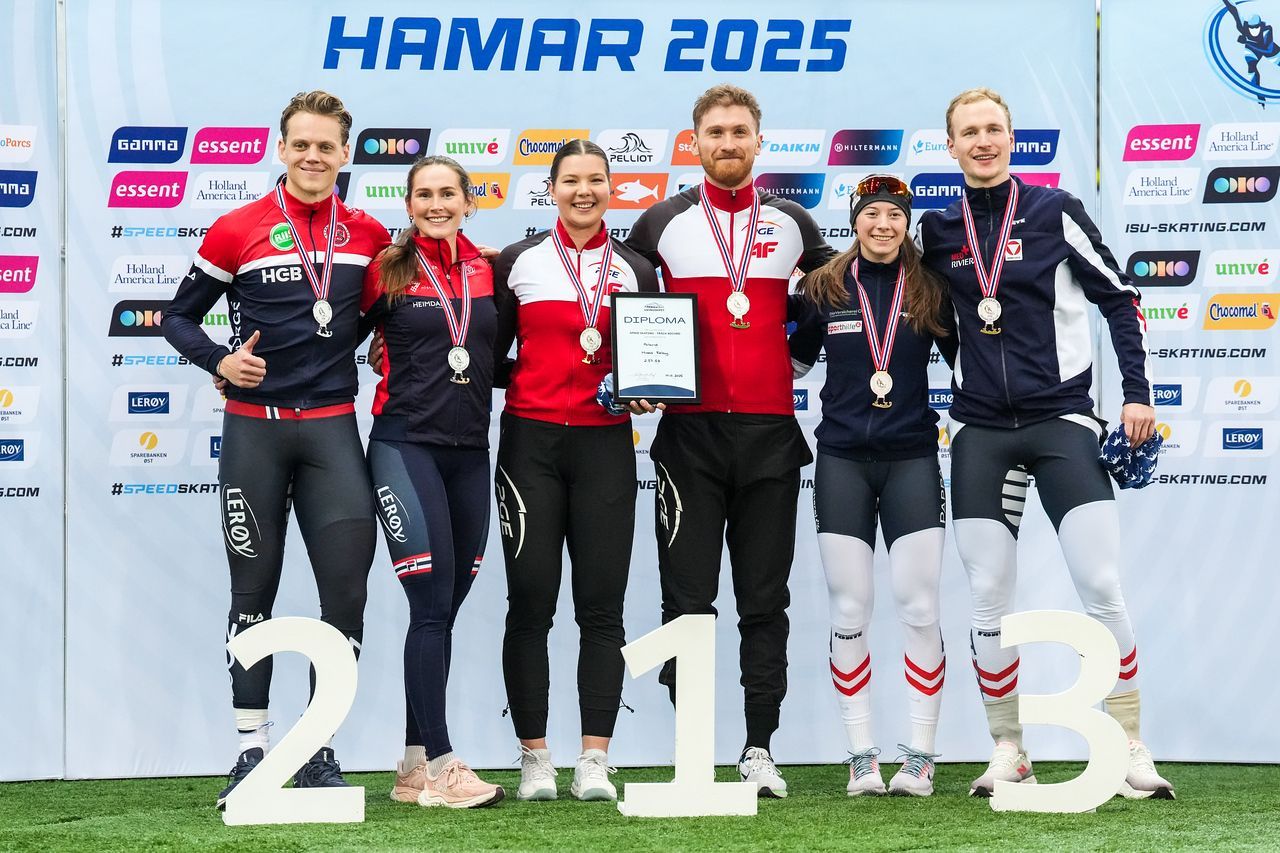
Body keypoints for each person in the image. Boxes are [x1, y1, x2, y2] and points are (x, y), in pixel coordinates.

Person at [917, 87, 1174, 799]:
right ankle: (1009, 748)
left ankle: (1130, 742)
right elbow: (933, 318)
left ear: (1011, 137)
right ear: (951, 145)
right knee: (988, 595)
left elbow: (1120, 298)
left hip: (1062, 421)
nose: (983, 141)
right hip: (979, 430)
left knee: (1101, 584)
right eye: (969, 131)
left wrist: (1136, 392)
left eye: (993, 128)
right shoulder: (937, 230)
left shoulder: (1055, 210)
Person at [162, 90, 390, 807]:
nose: (313, 156)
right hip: (254, 430)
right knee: (252, 591)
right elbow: (176, 317)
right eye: (301, 144)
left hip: (331, 429)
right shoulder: (238, 228)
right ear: (281, 147)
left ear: (345, 152)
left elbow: (378, 318)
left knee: (346, 593)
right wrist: (219, 361)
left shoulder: (369, 232)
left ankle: (319, 748)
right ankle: (251, 747)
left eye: (326, 146)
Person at [625, 84, 836, 798]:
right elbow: (618, 298)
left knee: (764, 602)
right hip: (689, 437)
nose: (727, 143)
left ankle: (758, 748)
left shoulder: (793, 221)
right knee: (686, 603)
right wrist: (635, 375)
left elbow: (841, 291)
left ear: (757, 141)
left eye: (739, 131)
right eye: (715, 132)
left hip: (772, 434)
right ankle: (692, 749)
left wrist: (798, 356)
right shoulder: (661, 221)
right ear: (695, 141)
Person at [491, 139, 659, 802]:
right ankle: (534, 758)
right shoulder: (519, 262)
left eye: (595, 180)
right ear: (551, 189)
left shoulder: (636, 268)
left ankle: (595, 758)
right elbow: (493, 355)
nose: (583, 191)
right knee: (530, 602)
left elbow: (651, 355)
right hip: (529, 446)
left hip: (605, 448)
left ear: (611, 189)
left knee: (601, 606)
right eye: (570, 180)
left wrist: (646, 389)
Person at [790, 176, 955, 797]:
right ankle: (862, 756)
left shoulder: (931, 286)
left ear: (906, 224)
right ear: (855, 220)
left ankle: (920, 757)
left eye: (894, 216)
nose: (883, 225)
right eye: (872, 214)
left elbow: (970, 362)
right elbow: (794, 362)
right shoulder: (823, 287)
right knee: (849, 609)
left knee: (919, 607)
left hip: (912, 458)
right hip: (841, 463)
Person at [361, 156, 503, 809]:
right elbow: (327, 339)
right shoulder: (386, 270)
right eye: (425, 194)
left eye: (448, 193)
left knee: (446, 607)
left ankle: (413, 765)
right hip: (404, 444)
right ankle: (445, 765)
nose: (437, 204)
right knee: (429, 606)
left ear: (468, 202)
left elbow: (508, 357)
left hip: (470, 452)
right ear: (410, 204)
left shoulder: (489, 271)